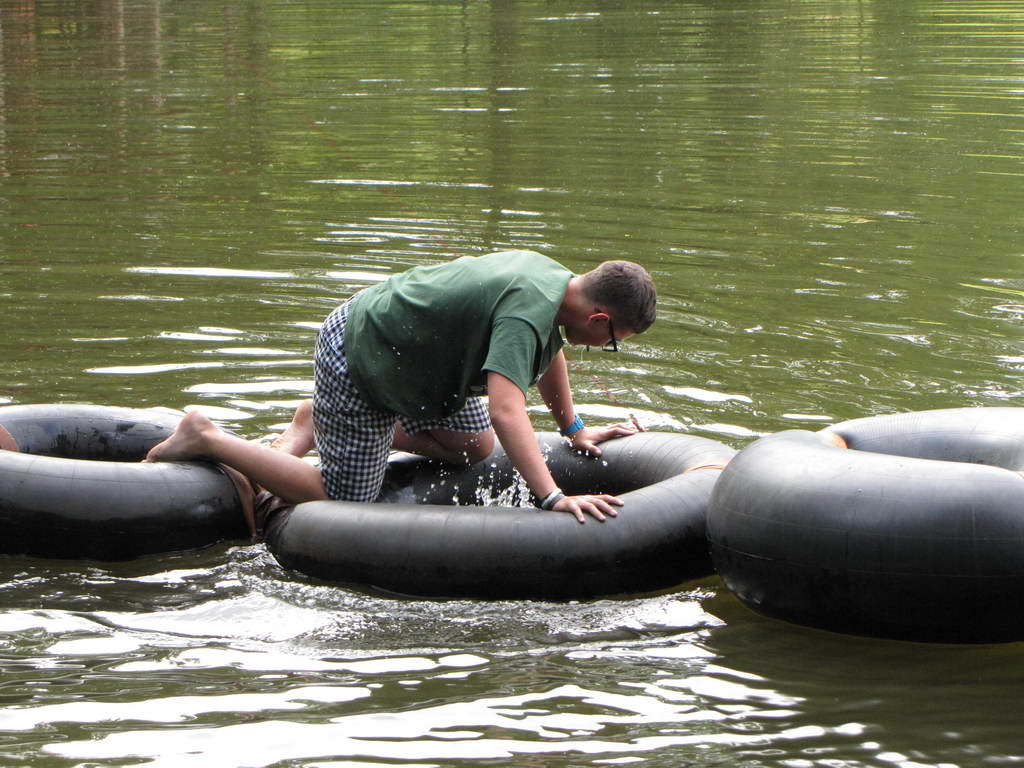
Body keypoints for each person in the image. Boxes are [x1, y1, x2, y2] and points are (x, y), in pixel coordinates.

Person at [146, 249, 657, 524]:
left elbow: (549, 355)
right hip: (362, 353)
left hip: (418, 364)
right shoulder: (529, 312)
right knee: (343, 499)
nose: (605, 347)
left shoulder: (553, 284)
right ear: (598, 318)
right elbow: (507, 411)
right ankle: (208, 436)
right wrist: (552, 498)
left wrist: (574, 429)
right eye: (613, 341)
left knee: (474, 447)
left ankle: (317, 420)